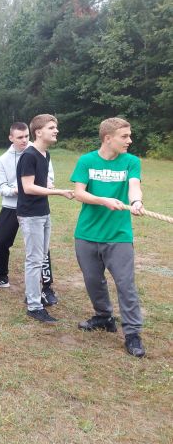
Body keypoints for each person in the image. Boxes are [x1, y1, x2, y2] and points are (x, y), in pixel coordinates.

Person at [71, 117, 146, 358]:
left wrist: (136, 201)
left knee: (125, 284)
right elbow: (79, 193)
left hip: (119, 236)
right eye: (124, 136)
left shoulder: (131, 162)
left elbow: (134, 185)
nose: (129, 140)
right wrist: (103, 200)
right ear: (108, 138)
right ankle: (104, 317)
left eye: (129, 135)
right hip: (87, 234)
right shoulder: (87, 161)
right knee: (93, 280)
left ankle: (132, 333)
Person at [0, 123, 56, 297]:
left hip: (33, 208)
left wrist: (41, 185)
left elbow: (49, 177)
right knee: (1, 241)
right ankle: (2, 277)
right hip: (11, 206)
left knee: (41, 249)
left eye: (26, 136)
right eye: (19, 137)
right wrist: (16, 190)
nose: (24, 140)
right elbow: (1, 187)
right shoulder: (3, 159)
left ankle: (46, 287)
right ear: (11, 138)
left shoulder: (39, 152)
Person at [16, 114, 74, 323]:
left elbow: (38, 182)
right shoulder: (29, 155)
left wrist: (49, 186)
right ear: (38, 132)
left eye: (55, 127)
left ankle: (32, 294)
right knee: (34, 260)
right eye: (51, 127)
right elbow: (28, 187)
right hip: (31, 215)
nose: (56, 130)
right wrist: (58, 192)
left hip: (43, 211)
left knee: (41, 258)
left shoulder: (44, 154)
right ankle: (34, 306)